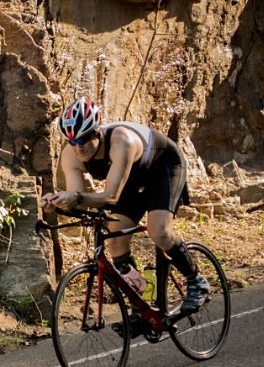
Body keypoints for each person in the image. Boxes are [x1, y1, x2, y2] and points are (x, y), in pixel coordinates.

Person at [40, 96, 210, 314]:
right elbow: (77, 198)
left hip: (164, 168)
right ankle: (142, 304)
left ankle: (196, 281)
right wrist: (56, 202)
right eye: (72, 142)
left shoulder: (122, 142)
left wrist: (75, 198)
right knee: (116, 240)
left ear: (97, 132)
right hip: (131, 179)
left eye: (83, 140)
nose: (78, 148)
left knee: (158, 231)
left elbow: (109, 196)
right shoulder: (71, 155)